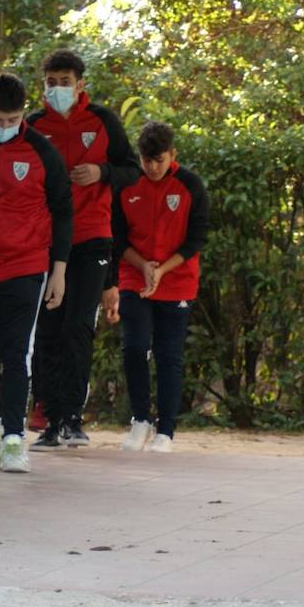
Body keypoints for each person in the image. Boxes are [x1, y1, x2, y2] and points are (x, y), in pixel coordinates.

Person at [27, 49, 140, 449]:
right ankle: (48, 417)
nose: (58, 89)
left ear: (80, 85)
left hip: (93, 237)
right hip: (45, 241)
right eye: (51, 82)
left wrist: (102, 172)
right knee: (49, 328)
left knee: (78, 326)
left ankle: (72, 417)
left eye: (65, 82)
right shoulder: (32, 126)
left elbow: (132, 171)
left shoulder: (103, 121)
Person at [0, 73, 72, 473]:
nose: (4, 127)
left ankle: (13, 438)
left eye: (12, 120)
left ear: (23, 114)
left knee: (16, 354)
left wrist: (59, 271)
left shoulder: (42, 150)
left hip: (26, 267)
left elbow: (63, 210)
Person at [110, 121, 209, 454]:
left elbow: (196, 238)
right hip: (134, 276)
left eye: (159, 160)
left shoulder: (190, 185)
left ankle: (166, 430)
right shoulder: (127, 184)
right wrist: (143, 266)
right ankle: (140, 419)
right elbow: (117, 237)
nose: (152, 167)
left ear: (173, 154)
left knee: (169, 355)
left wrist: (162, 270)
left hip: (177, 280)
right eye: (146, 160)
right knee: (134, 347)